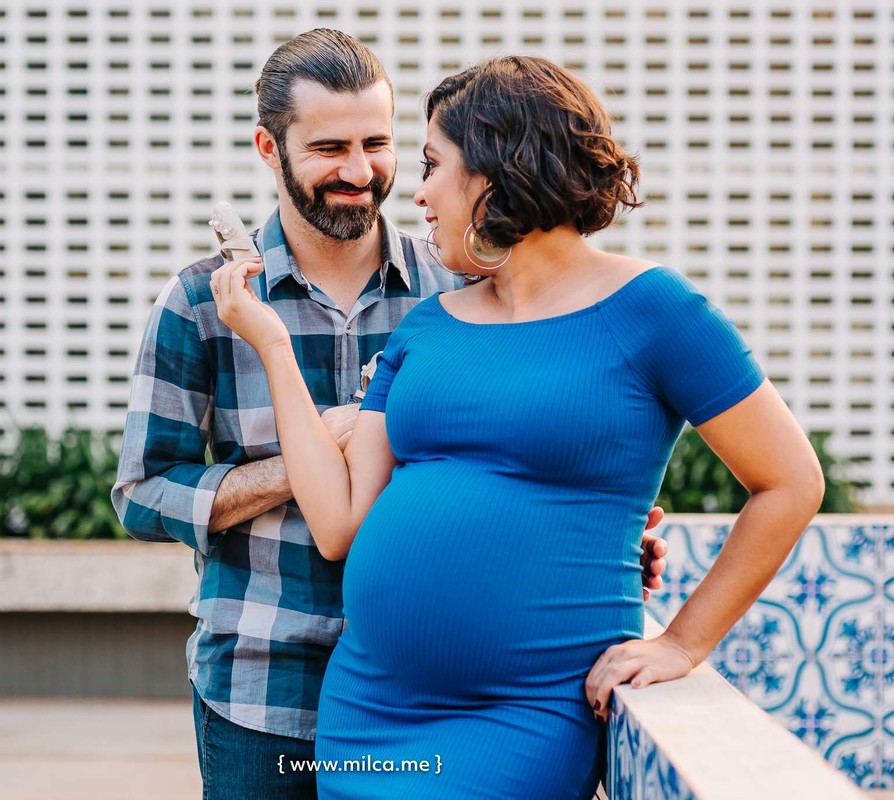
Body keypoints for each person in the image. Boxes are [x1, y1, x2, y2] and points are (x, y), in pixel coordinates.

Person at [211, 54, 825, 799]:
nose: (420, 191)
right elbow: (340, 523)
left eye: (435, 164)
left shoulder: (655, 310)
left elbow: (790, 481)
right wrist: (272, 344)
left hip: (524, 714)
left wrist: (683, 642)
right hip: (370, 707)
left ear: (495, 170)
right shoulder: (428, 325)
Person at [113, 30, 667, 800]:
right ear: (269, 150)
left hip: (437, 694)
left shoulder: (461, 287)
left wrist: (591, 532)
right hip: (266, 685)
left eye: (377, 143)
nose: (358, 170)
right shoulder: (204, 304)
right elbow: (141, 494)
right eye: (328, 146)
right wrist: (301, 465)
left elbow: (522, 454)